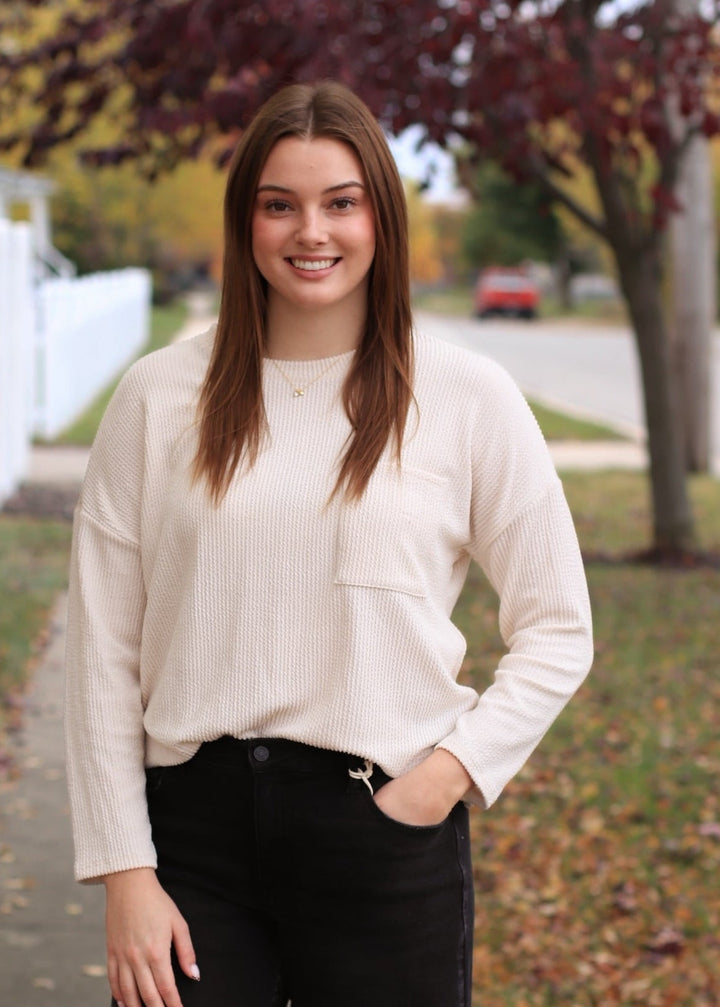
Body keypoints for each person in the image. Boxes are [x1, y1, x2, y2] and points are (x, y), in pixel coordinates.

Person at [64, 80, 593, 1007]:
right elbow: (103, 651)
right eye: (280, 205)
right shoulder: (157, 398)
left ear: (380, 216)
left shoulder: (466, 396)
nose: (312, 231)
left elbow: (559, 626)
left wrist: (443, 781)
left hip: (382, 829)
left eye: (340, 202)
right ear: (247, 222)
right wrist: (123, 872)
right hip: (191, 848)